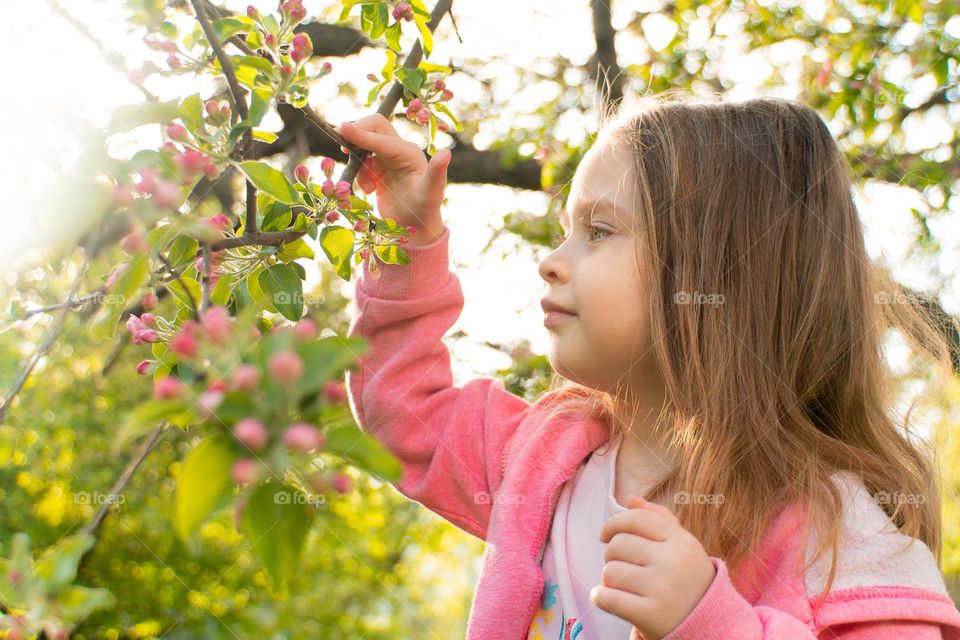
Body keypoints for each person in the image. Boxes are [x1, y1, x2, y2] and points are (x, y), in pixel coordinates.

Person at [335, 90, 960, 639]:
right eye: (566, 229)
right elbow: (403, 412)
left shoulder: (836, 535)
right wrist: (404, 235)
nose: (551, 260)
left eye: (599, 230)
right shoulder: (544, 460)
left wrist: (708, 622)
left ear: (719, 271)